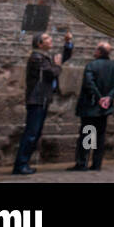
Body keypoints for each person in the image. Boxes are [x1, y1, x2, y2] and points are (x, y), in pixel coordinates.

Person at [12, 29, 73, 175]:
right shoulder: (36, 58)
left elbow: (62, 57)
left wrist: (68, 43)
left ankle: (23, 163)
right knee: (31, 133)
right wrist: (58, 65)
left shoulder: (44, 57)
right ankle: (20, 165)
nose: (51, 39)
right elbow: (51, 72)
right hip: (37, 99)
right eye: (47, 38)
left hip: (42, 100)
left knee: (35, 133)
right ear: (40, 44)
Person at [70, 41, 114, 172]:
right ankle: (96, 163)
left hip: (91, 106)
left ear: (99, 52)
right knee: (100, 136)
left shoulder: (92, 65)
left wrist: (99, 98)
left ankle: (82, 163)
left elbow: (89, 84)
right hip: (104, 107)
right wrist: (108, 98)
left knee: (88, 133)